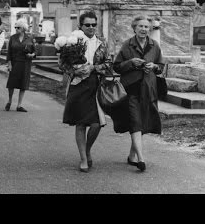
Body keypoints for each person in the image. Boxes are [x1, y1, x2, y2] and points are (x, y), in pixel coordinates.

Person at [112, 15, 165, 172]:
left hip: (148, 89)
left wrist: (154, 67)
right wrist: (131, 63)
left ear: (149, 29)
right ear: (134, 28)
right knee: (135, 121)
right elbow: (117, 66)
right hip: (131, 89)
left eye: (146, 27)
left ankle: (131, 156)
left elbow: (161, 66)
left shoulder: (154, 45)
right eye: (140, 26)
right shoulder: (127, 45)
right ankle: (141, 159)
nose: (143, 29)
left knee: (142, 122)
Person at [61, 11, 112, 173]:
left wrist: (93, 68)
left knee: (97, 124)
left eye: (93, 24)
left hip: (96, 85)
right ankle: (83, 158)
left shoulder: (102, 42)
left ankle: (87, 149)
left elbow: (109, 64)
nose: (91, 27)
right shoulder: (72, 42)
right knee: (81, 123)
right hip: (78, 85)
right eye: (87, 25)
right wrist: (76, 69)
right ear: (80, 26)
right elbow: (62, 64)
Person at [5, 18, 36, 112]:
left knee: (23, 84)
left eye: (18, 27)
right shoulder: (12, 38)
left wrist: (32, 55)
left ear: (23, 28)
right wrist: (9, 64)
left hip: (26, 64)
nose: (16, 29)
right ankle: (9, 101)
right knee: (11, 84)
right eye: (15, 27)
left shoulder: (29, 38)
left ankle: (19, 105)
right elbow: (9, 52)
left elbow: (35, 51)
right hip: (15, 63)